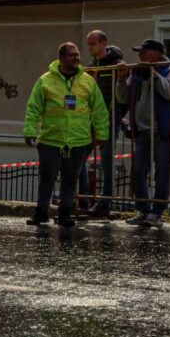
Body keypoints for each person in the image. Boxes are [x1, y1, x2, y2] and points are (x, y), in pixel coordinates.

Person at [23, 42, 110, 227]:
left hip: (78, 141)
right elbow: (34, 107)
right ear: (61, 57)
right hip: (51, 139)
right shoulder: (45, 80)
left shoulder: (87, 81)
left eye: (77, 54)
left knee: (70, 180)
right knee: (47, 178)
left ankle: (64, 214)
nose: (76, 58)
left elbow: (99, 110)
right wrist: (30, 130)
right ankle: (41, 212)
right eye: (71, 55)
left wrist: (102, 135)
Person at [114, 39, 170, 227]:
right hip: (143, 132)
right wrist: (122, 78)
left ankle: (157, 213)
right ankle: (143, 210)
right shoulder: (138, 72)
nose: (140, 56)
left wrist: (153, 73)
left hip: (164, 131)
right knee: (137, 172)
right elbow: (122, 97)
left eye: (144, 52)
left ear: (158, 54)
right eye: (140, 52)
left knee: (162, 172)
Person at [79, 30, 124, 217]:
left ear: (103, 43)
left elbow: (123, 94)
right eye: (88, 44)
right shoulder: (89, 68)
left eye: (93, 43)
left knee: (106, 161)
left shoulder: (115, 65)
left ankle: (105, 200)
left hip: (110, 119)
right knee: (79, 158)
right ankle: (83, 198)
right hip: (91, 121)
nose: (90, 47)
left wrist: (119, 116)